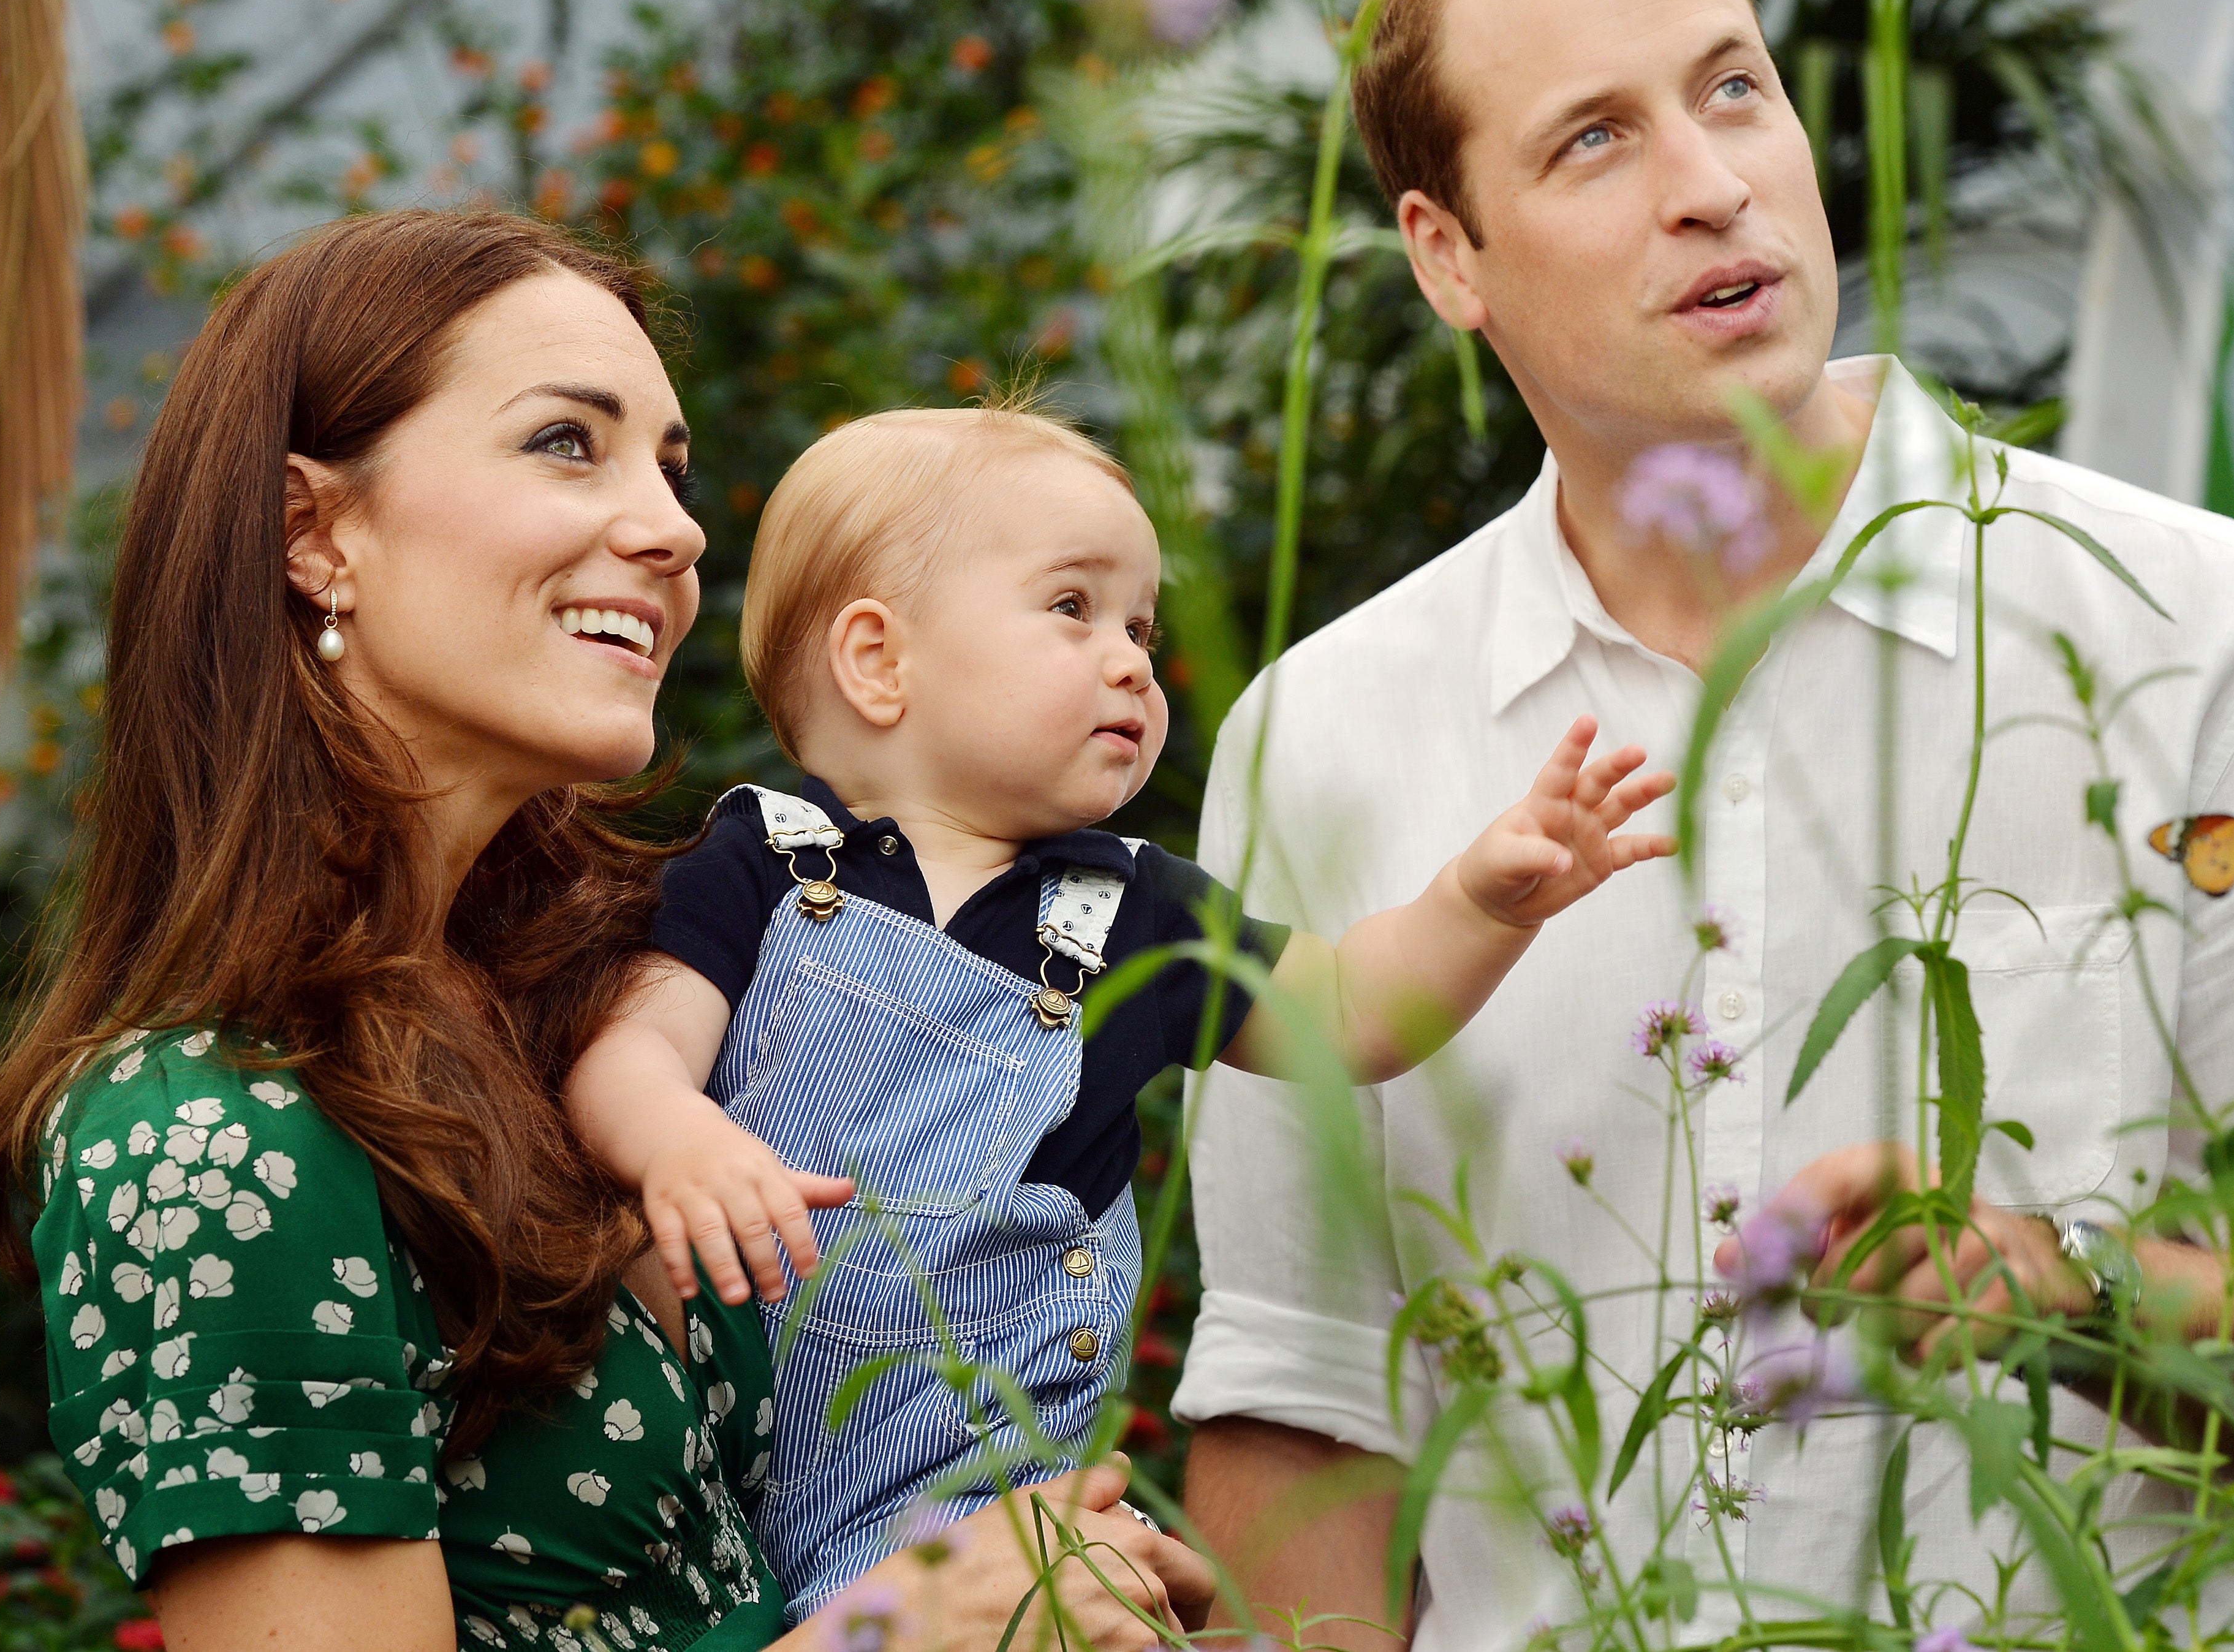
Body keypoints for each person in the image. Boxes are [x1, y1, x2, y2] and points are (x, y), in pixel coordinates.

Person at [1170, 0, 2234, 1648]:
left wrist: (2083, 1300)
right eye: (1594, 140)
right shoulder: (1321, 731)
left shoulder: (2201, 632)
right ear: (1448, 256)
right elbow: (1304, 1401)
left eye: (1731, 86)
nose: (1711, 180)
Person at [0, 210, 1213, 1652]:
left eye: (671, 470)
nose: (674, 529)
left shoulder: (593, 1014)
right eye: (567, 441)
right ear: (314, 535)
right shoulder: (210, 1132)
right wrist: (903, 1626)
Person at [558, 399, 1679, 1620]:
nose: (1132, 658)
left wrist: (1480, 901)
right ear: (878, 660)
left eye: (1141, 624)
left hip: (995, 1520)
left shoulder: (1133, 910)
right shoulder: (762, 867)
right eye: (1071, 608)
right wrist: (677, 1138)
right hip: (721, 1495)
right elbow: (631, 1051)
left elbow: (1353, 1012)